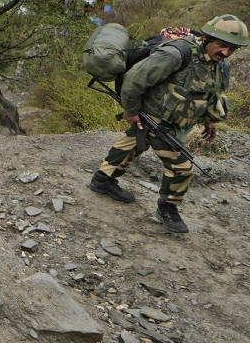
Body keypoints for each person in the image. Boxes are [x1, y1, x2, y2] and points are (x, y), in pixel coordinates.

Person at [88, 14, 247, 233]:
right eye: (222, 45)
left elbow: (212, 94)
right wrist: (132, 111)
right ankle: (167, 209)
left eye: (232, 49)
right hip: (156, 117)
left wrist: (211, 121)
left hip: (174, 119)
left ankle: (102, 180)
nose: (226, 53)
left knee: (131, 144)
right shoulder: (176, 53)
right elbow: (135, 79)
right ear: (208, 39)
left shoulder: (218, 65)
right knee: (182, 167)